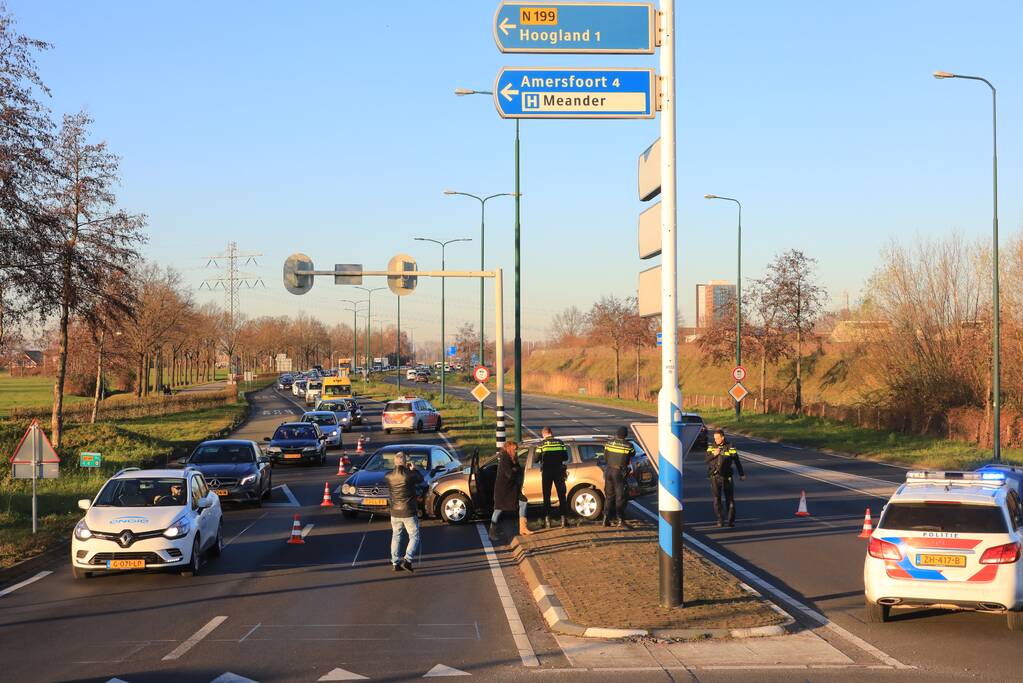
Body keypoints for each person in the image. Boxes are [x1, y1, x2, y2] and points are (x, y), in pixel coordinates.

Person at [385, 451, 423, 572]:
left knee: (396, 536)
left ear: (394, 462)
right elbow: (420, 479)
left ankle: (395, 562)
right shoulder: (409, 475)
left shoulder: (388, 476)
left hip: (394, 511)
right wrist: (414, 469)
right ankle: (408, 559)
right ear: (405, 462)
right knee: (414, 536)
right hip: (408, 511)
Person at [489, 440, 531, 542]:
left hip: (512, 488)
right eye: (515, 449)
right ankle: (492, 532)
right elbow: (509, 474)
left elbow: (518, 470)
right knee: (498, 509)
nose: (516, 451)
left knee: (523, 502)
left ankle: (523, 528)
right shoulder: (504, 458)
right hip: (503, 490)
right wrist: (515, 470)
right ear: (509, 449)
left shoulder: (513, 458)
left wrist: (516, 470)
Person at [705, 429, 745, 527]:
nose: (716, 440)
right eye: (715, 438)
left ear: (723, 437)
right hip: (715, 476)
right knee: (716, 499)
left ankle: (731, 521)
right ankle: (720, 520)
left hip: (727, 477)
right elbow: (706, 459)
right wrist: (715, 454)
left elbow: (737, 461)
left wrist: (741, 474)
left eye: (717, 438)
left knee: (730, 499)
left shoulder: (730, 447)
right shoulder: (711, 447)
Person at [536, 426, 571, 528]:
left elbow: (535, 459)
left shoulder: (541, 444)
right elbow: (566, 457)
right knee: (561, 495)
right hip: (559, 471)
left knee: (546, 496)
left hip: (547, 472)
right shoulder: (560, 442)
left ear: (544, 434)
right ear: (551, 432)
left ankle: (547, 521)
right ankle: (563, 520)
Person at [602, 427, 635, 528]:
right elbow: (632, 454)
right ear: (625, 435)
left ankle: (605, 519)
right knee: (620, 497)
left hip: (608, 471)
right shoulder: (628, 445)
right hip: (619, 472)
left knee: (609, 496)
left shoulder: (608, 443)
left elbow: (605, 457)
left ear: (617, 434)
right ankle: (620, 520)